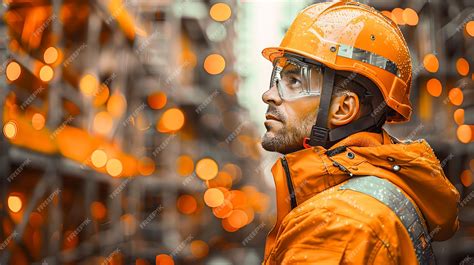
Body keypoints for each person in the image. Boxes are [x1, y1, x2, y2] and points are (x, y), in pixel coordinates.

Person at [260, 1, 460, 264]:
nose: (268, 95)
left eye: (295, 81)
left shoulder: (337, 225)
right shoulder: (371, 197)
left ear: (343, 109)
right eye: (277, 79)